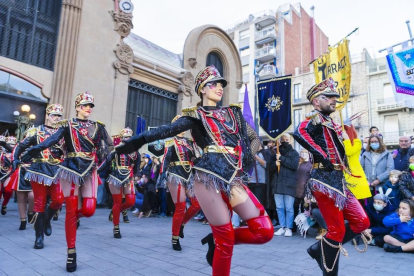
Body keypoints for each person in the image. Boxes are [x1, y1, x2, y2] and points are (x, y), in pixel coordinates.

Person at [115, 65, 273, 276]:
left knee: (264, 231)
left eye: (221, 84)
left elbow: (254, 139)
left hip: (233, 176)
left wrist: (245, 156)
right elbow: (167, 130)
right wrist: (137, 141)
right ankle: (219, 240)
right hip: (207, 177)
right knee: (225, 240)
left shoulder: (233, 113)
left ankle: (215, 240)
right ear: (202, 89)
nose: (219, 88)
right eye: (213, 84)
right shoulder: (195, 115)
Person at [21, 91, 113, 272]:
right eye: (85, 105)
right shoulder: (68, 125)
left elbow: (109, 145)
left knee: (88, 210)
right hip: (69, 169)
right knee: (68, 210)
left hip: (89, 169)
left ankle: (67, 214)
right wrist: (35, 149)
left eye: (90, 106)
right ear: (77, 107)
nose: (88, 109)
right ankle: (71, 253)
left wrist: (107, 158)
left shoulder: (98, 126)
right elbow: (52, 139)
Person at [293, 78, 370, 275]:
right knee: (337, 231)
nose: (334, 100)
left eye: (334, 97)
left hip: (339, 180)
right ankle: (329, 271)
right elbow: (299, 132)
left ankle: (319, 249)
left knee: (362, 222)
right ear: (316, 101)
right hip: (323, 180)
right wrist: (322, 154)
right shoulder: (315, 117)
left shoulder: (331, 122)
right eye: (328, 97)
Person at [12, 104, 65, 249]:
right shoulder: (36, 131)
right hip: (38, 169)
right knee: (39, 202)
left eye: (59, 115)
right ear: (47, 115)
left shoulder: (63, 133)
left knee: (59, 199)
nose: (57, 118)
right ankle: (39, 236)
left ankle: (46, 220)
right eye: (54, 115)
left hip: (56, 169)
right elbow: (20, 145)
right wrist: (15, 158)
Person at [157, 122, 201, 250]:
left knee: (197, 203)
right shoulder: (171, 141)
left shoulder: (190, 142)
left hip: (189, 175)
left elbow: (193, 157)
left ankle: (182, 224)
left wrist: (197, 160)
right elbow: (166, 158)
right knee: (181, 207)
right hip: (175, 174)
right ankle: (175, 238)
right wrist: (162, 173)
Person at [99, 128, 138, 239]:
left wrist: (136, 175)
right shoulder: (116, 149)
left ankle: (115, 211)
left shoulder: (135, 150)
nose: (127, 139)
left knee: (131, 201)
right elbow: (106, 161)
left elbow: (138, 163)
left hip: (129, 177)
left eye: (129, 137)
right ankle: (116, 227)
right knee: (117, 202)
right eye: (125, 137)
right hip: (116, 177)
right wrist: (97, 170)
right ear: (121, 138)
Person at [271, 134, 300, 237]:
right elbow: (270, 168)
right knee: (279, 207)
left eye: (287, 139)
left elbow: (294, 165)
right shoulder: (276, 153)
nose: (285, 141)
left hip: (289, 185)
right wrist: (275, 164)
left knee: (289, 208)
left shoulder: (294, 153)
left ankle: (289, 228)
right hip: (277, 184)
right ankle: (282, 227)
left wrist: (281, 159)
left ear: (291, 141)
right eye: (283, 140)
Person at [8, 136, 35, 230]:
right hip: (22, 171)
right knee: (21, 198)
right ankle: (22, 220)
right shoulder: (19, 146)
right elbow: (14, 152)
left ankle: (30, 212)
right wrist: (15, 160)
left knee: (32, 196)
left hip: (34, 171)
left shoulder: (38, 144)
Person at [343, 124, 371, 200]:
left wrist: (346, 139)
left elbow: (349, 152)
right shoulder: (342, 143)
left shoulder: (357, 142)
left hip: (354, 175)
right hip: (344, 175)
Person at [0, 136, 14, 216]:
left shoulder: (16, 152)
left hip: (9, 172)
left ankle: (4, 204)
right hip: (0, 171)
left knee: (8, 190)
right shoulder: (1, 152)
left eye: (12, 144)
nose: (11, 146)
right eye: (9, 144)